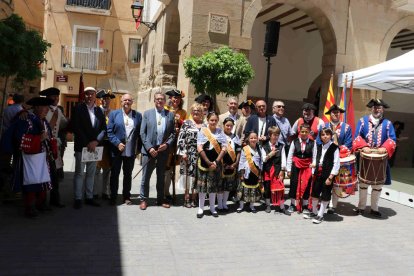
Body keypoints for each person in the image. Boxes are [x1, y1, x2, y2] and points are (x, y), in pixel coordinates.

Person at [3, 97, 55, 217]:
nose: (47, 110)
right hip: (29, 159)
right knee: (30, 183)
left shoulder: (44, 122)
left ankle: (40, 204)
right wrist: (38, 139)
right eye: (44, 107)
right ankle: (29, 207)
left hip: (43, 158)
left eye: (48, 107)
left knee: (43, 180)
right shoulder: (26, 120)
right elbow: (19, 139)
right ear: (36, 107)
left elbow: (49, 137)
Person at [353, 99, 396, 217]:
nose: (377, 109)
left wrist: (385, 148)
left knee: (377, 186)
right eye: (375, 107)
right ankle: (361, 207)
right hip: (365, 159)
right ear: (371, 109)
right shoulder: (362, 121)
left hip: (380, 159)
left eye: (379, 108)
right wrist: (364, 146)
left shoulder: (388, 123)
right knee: (363, 184)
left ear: (383, 109)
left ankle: (374, 208)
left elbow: (392, 139)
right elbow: (357, 137)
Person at [139, 91, 176, 210]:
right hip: (149, 151)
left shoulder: (170, 115)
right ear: (154, 101)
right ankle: (143, 199)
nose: (159, 101)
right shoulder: (147, 114)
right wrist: (149, 148)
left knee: (161, 176)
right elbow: (142, 133)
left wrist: (167, 145)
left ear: (165, 101)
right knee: (146, 177)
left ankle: (160, 200)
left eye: (161, 99)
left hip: (162, 151)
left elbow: (173, 134)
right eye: (157, 99)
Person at [71, 87, 106, 209]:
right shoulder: (78, 109)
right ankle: (78, 198)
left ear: (95, 96)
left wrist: (96, 141)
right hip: (82, 147)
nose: (89, 96)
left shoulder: (99, 111)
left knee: (91, 174)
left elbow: (103, 128)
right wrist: (88, 143)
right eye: (87, 94)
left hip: (95, 147)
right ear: (84, 95)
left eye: (92, 94)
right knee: (79, 173)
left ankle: (89, 197)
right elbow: (76, 127)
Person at [316, 104, 353, 214]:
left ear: (340, 114)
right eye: (333, 112)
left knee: (336, 183)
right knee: (324, 181)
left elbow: (349, 143)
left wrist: (337, 150)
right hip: (325, 159)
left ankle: (333, 205)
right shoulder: (324, 126)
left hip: (339, 158)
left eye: (337, 112)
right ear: (330, 114)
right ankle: (322, 202)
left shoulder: (346, 127)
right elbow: (318, 141)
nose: (336, 114)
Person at [107, 93, 142, 205]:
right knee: (115, 174)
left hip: (130, 151)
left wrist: (139, 150)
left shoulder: (138, 115)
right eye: (124, 100)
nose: (127, 102)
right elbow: (109, 132)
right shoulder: (114, 114)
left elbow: (140, 134)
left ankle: (127, 196)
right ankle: (113, 196)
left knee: (128, 175)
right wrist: (118, 144)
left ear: (132, 102)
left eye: (129, 100)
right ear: (121, 102)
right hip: (116, 150)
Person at [304, 127, 340, 224]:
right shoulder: (318, 146)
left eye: (327, 134)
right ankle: (314, 212)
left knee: (325, 195)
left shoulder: (334, 147)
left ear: (331, 136)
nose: (325, 136)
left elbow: (336, 163)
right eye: (323, 135)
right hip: (317, 173)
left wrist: (331, 177)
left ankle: (320, 214)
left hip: (327, 174)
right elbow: (316, 159)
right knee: (315, 193)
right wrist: (313, 168)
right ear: (320, 136)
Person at [39, 87, 68, 208]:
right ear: (47, 97)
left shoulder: (59, 111)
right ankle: (42, 202)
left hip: (54, 146)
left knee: (55, 176)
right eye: (53, 96)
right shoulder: (42, 108)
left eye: (57, 96)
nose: (56, 98)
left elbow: (64, 123)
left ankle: (55, 199)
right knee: (43, 175)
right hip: (43, 146)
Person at [195, 112, 227, 218]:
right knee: (202, 187)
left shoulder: (220, 132)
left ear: (217, 121)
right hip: (204, 163)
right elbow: (199, 147)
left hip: (216, 163)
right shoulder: (203, 131)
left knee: (213, 187)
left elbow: (224, 148)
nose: (213, 122)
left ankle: (213, 208)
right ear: (207, 120)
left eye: (215, 120)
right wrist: (208, 162)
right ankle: (201, 208)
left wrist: (216, 162)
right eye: (211, 120)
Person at [176, 103, 204, 208]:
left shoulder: (204, 124)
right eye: (194, 110)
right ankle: (187, 198)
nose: (196, 112)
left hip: (200, 155)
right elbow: (181, 138)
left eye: (198, 110)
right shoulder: (187, 123)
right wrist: (183, 152)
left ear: (202, 113)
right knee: (188, 176)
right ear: (191, 112)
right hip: (188, 153)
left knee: (197, 176)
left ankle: (194, 198)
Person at [286, 123, 317, 214]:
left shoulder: (313, 143)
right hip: (296, 166)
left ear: (309, 133)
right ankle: (292, 204)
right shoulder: (294, 142)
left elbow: (314, 157)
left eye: (306, 132)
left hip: (307, 166)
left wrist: (313, 169)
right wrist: (288, 169)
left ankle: (305, 206)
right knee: (294, 184)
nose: (304, 133)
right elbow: (290, 156)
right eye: (302, 131)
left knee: (306, 185)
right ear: (299, 132)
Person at [164, 89, 187, 203]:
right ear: (170, 99)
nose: (176, 100)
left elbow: (186, 126)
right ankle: (165, 191)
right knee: (166, 167)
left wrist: (180, 121)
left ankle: (170, 192)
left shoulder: (183, 112)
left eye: (178, 98)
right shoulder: (165, 110)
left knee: (173, 167)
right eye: (174, 98)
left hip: (178, 142)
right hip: (167, 142)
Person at [262, 126, 289, 215]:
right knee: (267, 188)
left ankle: (282, 207)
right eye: (274, 135)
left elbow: (284, 159)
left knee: (280, 188)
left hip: (277, 171)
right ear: (270, 135)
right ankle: (268, 205)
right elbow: (263, 159)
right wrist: (270, 154)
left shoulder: (281, 146)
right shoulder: (264, 146)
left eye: (277, 135)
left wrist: (282, 170)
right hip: (268, 171)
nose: (276, 137)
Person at [94, 89, 115, 200]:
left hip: (109, 145)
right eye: (104, 99)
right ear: (100, 100)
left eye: (108, 98)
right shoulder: (96, 111)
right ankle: (94, 192)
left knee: (107, 170)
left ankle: (105, 192)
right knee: (96, 169)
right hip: (98, 144)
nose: (106, 101)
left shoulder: (114, 113)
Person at [218, 117, 241, 212]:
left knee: (228, 186)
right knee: (220, 185)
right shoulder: (219, 136)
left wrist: (236, 163)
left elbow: (238, 151)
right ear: (223, 125)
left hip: (232, 165)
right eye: (227, 125)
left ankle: (224, 203)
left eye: (231, 126)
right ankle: (219, 204)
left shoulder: (235, 137)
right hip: (222, 164)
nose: (229, 127)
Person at [237, 131, 263, 213]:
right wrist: (242, 173)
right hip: (246, 172)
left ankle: (252, 206)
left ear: (257, 139)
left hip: (255, 173)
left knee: (253, 189)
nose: (253, 139)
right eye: (251, 138)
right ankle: (241, 206)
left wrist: (260, 174)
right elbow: (241, 162)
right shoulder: (245, 149)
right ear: (248, 139)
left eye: (255, 138)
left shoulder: (259, 149)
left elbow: (261, 162)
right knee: (243, 189)